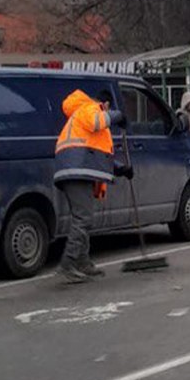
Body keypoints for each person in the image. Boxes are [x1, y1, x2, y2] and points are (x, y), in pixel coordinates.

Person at [54, 88, 131, 283]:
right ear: (104, 105)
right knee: (83, 218)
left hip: (74, 168)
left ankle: (83, 263)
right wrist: (117, 115)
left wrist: (121, 169)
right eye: (107, 109)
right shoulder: (90, 108)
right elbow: (97, 122)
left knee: (83, 217)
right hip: (76, 169)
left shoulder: (83, 115)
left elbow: (98, 156)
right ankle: (68, 265)